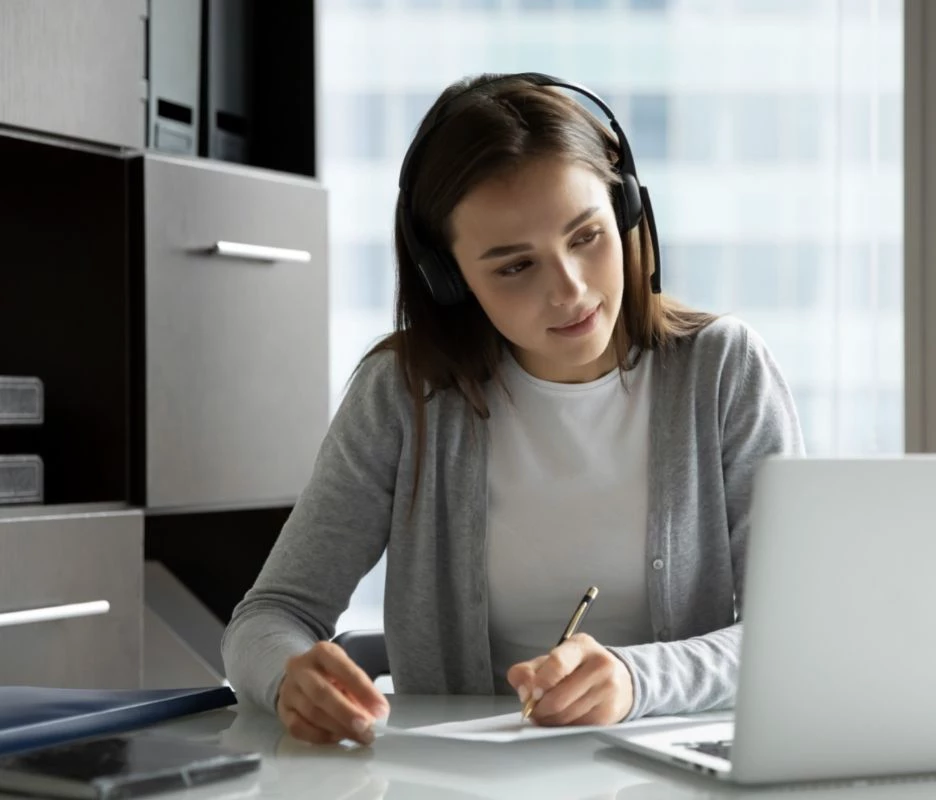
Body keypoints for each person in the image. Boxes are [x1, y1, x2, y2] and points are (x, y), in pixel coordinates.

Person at [221, 72, 804, 747]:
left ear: (628, 211)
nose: (570, 290)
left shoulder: (724, 370)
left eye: (586, 237)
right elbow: (270, 615)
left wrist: (635, 679)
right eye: (514, 267)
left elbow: (787, 637)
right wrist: (290, 675)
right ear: (450, 280)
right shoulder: (403, 394)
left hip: (669, 775)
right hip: (456, 781)